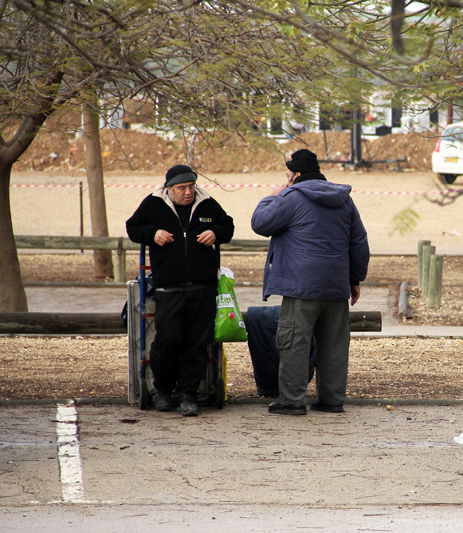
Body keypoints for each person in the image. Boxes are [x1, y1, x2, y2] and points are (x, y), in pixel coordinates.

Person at [251, 149, 370, 415]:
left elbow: (260, 224)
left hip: (300, 285)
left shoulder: (291, 198)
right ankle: (331, 400)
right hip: (335, 285)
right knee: (334, 346)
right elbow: (359, 242)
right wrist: (354, 279)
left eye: (288, 175)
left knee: (294, 342)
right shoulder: (344, 200)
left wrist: (271, 197)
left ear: (297, 175)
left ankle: (292, 401)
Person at [126, 164, 234, 416]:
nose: (188, 192)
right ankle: (163, 390)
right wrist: (153, 234)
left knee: (197, 345)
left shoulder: (207, 204)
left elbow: (227, 227)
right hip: (168, 288)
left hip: (202, 287)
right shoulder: (153, 204)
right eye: (182, 188)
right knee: (168, 341)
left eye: (191, 186)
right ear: (169, 188)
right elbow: (133, 228)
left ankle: (188, 395)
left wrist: (214, 232)